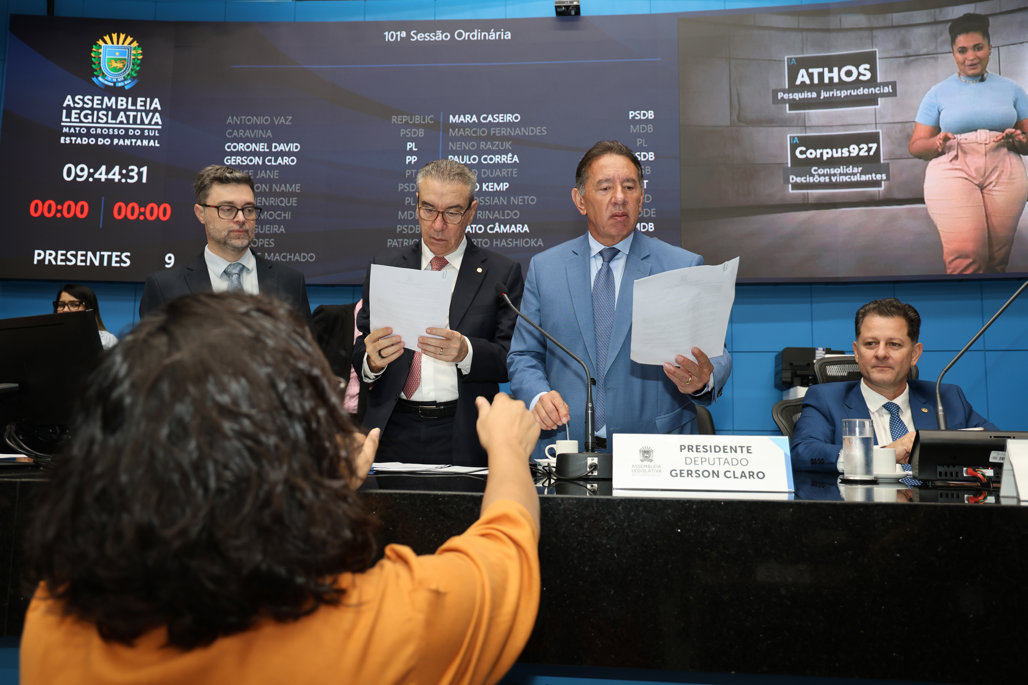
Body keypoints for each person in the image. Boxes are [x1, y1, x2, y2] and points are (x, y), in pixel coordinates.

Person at [20, 292, 541, 685]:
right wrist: (508, 452)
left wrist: (324, 487)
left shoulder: (55, 616)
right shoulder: (376, 623)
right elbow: (506, 553)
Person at [507, 140, 731, 458]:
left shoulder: (680, 266)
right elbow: (524, 355)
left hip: (655, 452)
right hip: (565, 445)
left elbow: (716, 353)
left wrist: (702, 380)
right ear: (580, 200)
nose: (620, 198)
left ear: (642, 198)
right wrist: (537, 396)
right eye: (605, 188)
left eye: (629, 186)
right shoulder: (546, 269)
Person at [352, 159, 524, 466]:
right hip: (392, 427)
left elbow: (510, 356)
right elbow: (362, 344)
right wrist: (371, 362)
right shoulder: (387, 266)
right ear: (416, 205)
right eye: (429, 209)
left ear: (471, 212)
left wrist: (466, 352)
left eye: (452, 212)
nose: (438, 225)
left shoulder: (501, 273)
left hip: (463, 430)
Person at [791, 298, 996, 472]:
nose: (881, 353)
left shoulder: (946, 398)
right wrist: (884, 455)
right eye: (871, 344)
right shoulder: (826, 400)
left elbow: (997, 448)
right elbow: (803, 453)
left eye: (894, 344)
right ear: (856, 352)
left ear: (914, 354)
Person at [908, 12, 1028, 274]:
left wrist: (1020, 142)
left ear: (990, 48)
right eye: (962, 50)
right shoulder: (937, 93)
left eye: (978, 47)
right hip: (954, 167)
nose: (971, 56)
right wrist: (936, 142)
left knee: (997, 261)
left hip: (1005, 169)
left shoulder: (1013, 90)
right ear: (953, 53)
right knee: (967, 258)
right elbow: (916, 145)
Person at [139, 164, 311, 323]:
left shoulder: (290, 283)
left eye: (248, 209)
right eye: (228, 209)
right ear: (201, 213)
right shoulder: (165, 288)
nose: (241, 218)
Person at [53, 283, 117, 349]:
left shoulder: (107, 341)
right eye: (61, 305)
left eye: (74, 305)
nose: (65, 310)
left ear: (88, 308)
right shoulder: (50, 338)